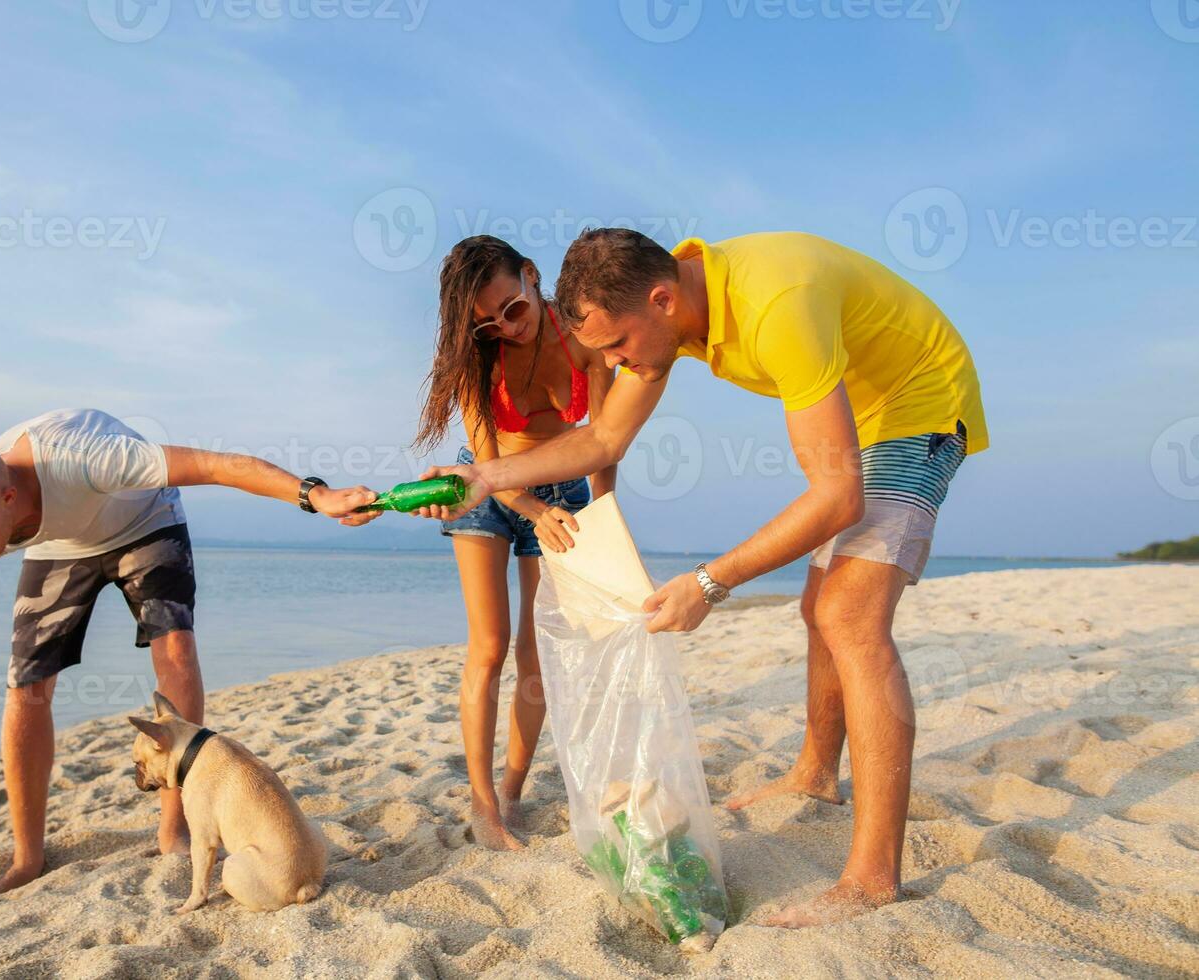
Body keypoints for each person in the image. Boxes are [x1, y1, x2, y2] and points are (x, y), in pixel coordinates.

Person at [418, 229, 987, 922]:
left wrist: (711, 583)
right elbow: (602, 439)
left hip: (917, 405)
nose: (612, 363)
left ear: (661, 300)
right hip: (863, 410)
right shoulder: (676, 310)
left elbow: (836, 498)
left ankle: (872, 878)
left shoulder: (779, 304)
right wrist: (484, 476)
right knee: (819, 607)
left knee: (849, 617)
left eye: (617, 346)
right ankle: (814, 774)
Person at [0, 408, 378, 901]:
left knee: (176, 649)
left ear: (8, 497)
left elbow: (219, 466)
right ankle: (28, 854)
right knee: (27, 684)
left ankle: (176, 825)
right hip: (61, 542)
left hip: (142, 518)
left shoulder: (87, 460)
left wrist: (316, 496)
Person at [413, 236, 616, 849]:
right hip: (491, 493)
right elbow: (487, 463)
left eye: (513, 309)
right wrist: (529, 507)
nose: (506, 327)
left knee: (538, 655)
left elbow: (605, 441)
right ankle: (481, 806)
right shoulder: (479, 358)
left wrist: (606, 519)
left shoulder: (585, 337)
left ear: (531, 277)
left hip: (565, 491)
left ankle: (511, 792)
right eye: (487, 324)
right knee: (490, 646)